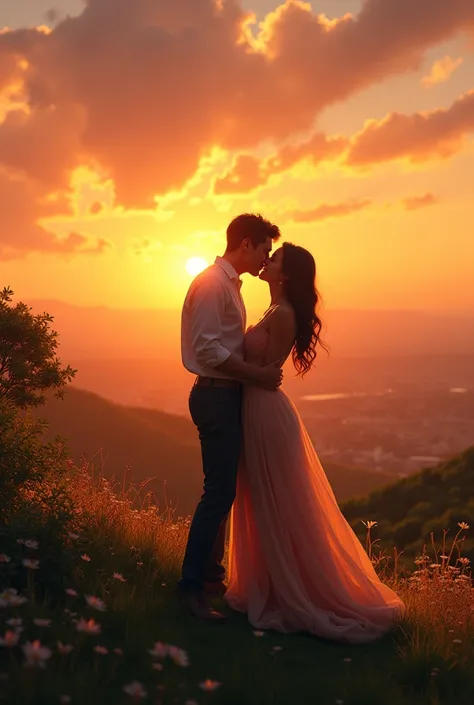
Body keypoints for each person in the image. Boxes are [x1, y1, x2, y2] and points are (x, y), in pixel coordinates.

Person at [225, 242, 405, 643]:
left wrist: (222, 366)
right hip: (256, 408)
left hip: (266, 412)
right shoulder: (273, 309)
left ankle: (297, 591)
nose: (266, 262)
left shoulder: (284, 314)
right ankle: (267, 582)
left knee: (280, 501)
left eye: (274, 260)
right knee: (259, 497)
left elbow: (267, 373)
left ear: (285, 275)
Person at [179, 213, 283, 622]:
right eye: (264, 249)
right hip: (214, 396)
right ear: (244, 244)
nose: (265, 258)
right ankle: (190, 588)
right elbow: (207, 351)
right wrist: (258, 374)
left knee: (223, 492)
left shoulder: (228, 285)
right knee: (218, 494)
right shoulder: (211, 285)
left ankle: (208, 579)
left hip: (226, 396)